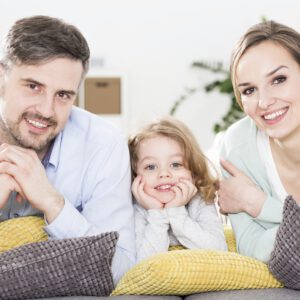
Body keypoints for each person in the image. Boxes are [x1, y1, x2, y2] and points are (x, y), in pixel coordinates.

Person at [0, 15, 135, 284]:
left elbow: (121, 268)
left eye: (63, 95)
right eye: (33, 86)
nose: (47, 111)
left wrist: (54, 204)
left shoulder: (103, 144)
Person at [217, 20, 300, 263]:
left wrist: (258, 203)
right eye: (249, 90)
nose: (263, 102)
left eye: (278, 79)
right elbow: (252, 248)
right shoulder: (236, 146)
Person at [128, 117, 227, 262]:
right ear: (135, 175)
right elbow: (142, 264)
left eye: (175, 164)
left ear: (193, 171)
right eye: (150, 167)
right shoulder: (136, 209)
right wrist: (156, 215)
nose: (164, 174)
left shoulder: (199, 200)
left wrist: (176, 212)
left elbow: (218, 250)